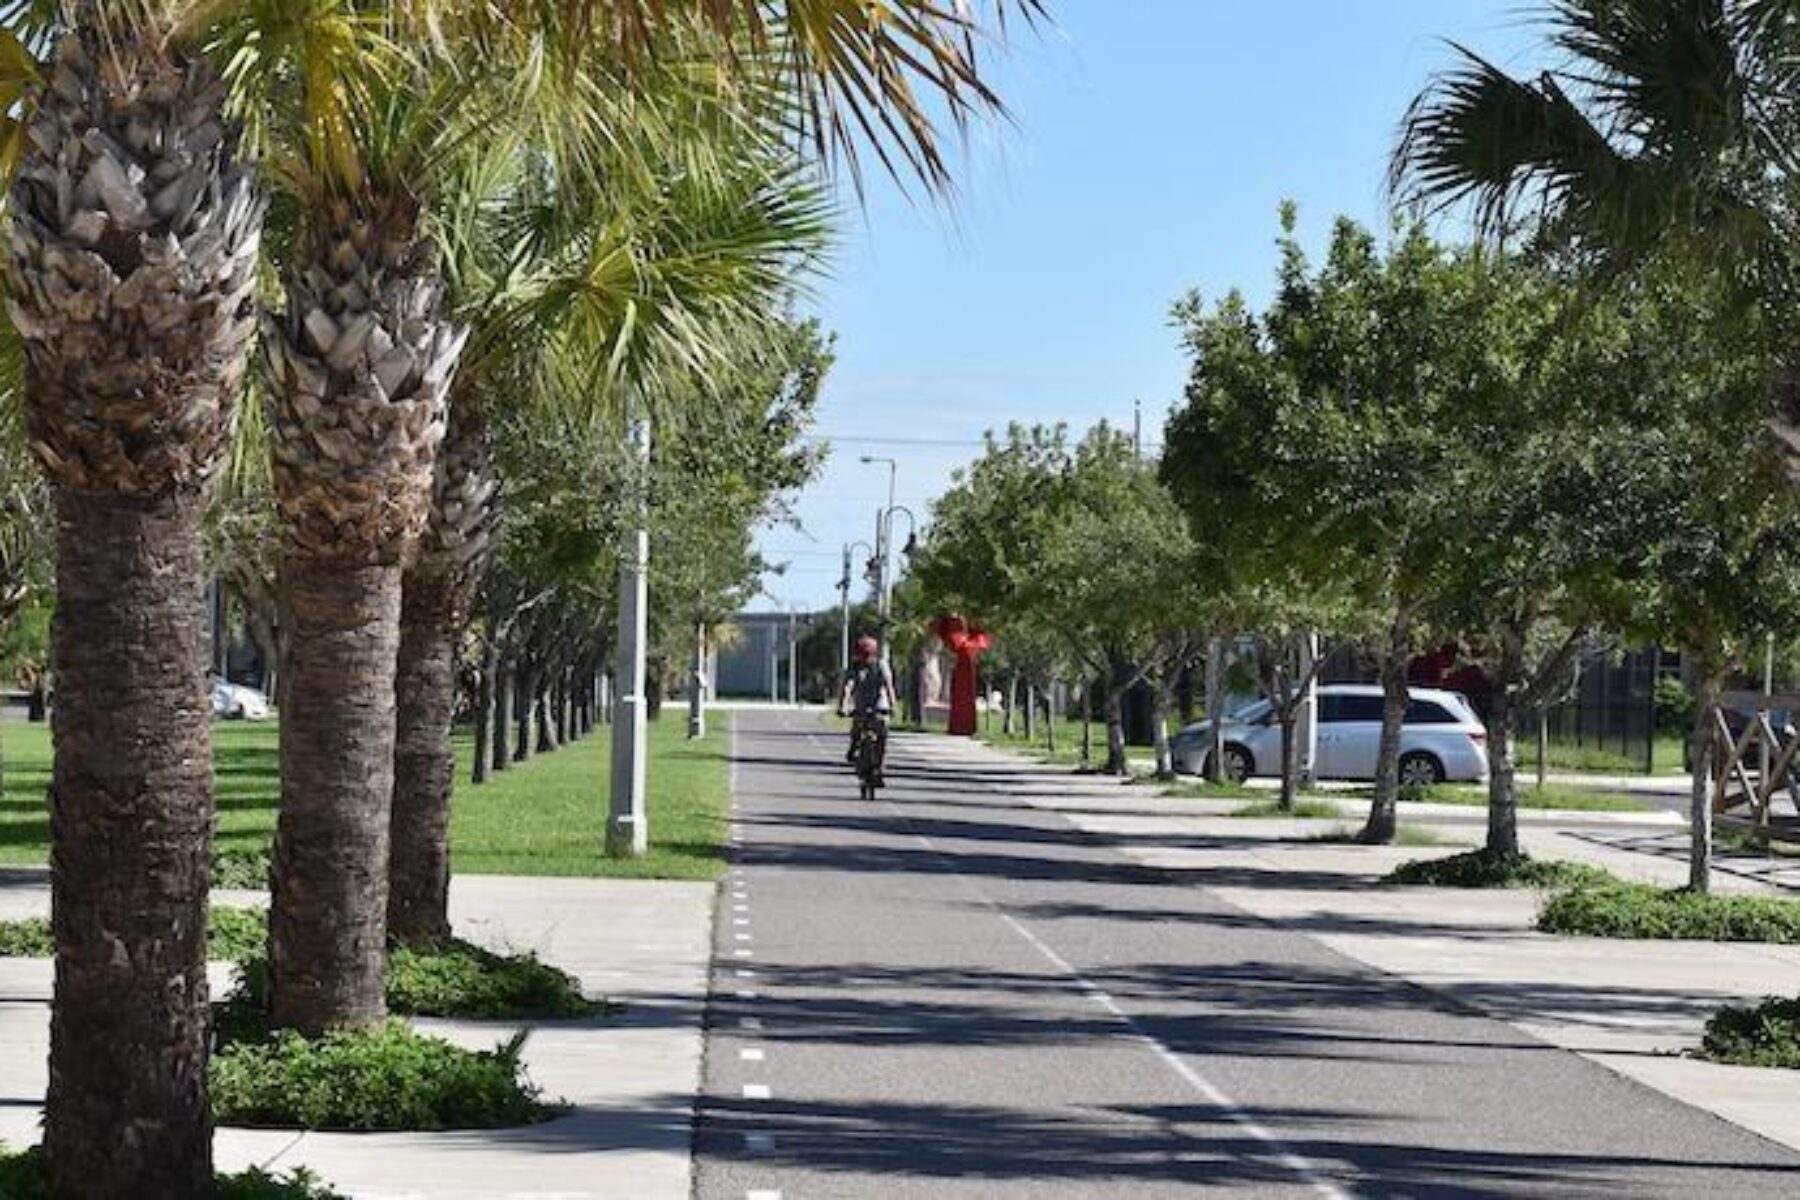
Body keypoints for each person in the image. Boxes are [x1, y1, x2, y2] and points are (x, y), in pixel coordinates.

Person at [838, 635, 896, 779]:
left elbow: (889, 686)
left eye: (868, 655)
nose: (865, 659)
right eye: (862, 655)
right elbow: (847, 687)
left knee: (882, 732)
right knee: (857, 727)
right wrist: (842, 706)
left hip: (879, 703)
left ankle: (880, 766)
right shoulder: (853, 667)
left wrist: (892, 705)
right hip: (861, 704)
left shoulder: (881, 665)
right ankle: (854, 747)